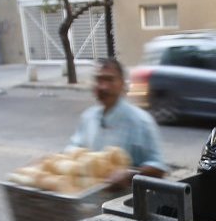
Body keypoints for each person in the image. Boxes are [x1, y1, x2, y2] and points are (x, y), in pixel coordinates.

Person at [69, 58, 167, 187]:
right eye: (99, 80)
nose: (103, 86)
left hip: (124, 202)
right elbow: (73, 151)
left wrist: (130, 175)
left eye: (109, 79)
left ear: (122, 84)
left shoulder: (141, 121)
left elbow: (158, 168)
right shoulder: (88, 117)